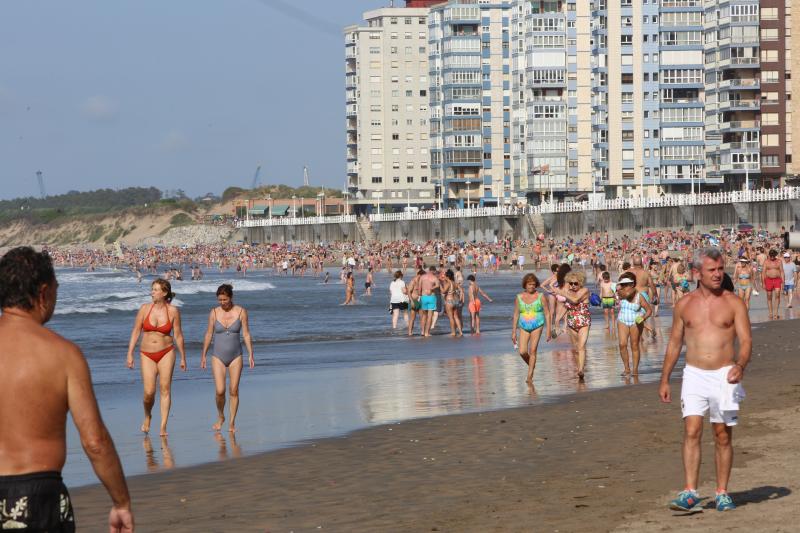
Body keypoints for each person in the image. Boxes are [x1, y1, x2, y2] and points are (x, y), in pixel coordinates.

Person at [0, 247, 133, 532]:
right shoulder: (62, 354)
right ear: (43, 292)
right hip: (38, 497)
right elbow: (95, 441)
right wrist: (121, 502)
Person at [659, 247, 751, 513]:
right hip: (694, 374)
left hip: (725, 374)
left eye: (721, 269)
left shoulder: (734, 302)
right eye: (712, 270)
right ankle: (690, 491)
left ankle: (722, 492)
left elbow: (746, 341)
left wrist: (741, 365)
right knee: (691, 431)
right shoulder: (684, 305)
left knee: (722, 435)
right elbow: (675, 344)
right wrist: (665, 379)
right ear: (697, 272)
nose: (718, 274)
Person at [126, 278, 187, 436]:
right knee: (149, 392)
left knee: (165, 389)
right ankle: (148, 416)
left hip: (167, 352)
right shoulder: (145, 309)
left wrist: (183, 357)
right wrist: (130, 353)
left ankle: (163, 426)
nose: (152, 292)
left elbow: (178, 335)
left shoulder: (173, 311)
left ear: (164, 293)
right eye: (152, 289)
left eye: (155, 289)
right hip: (146, 354)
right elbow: (135, 331)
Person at [200, 284, 255, 433]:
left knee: (234, 390)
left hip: (236, 356)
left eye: (224, 299)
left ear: (231, 297)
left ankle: (231, 422)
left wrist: (250, 354)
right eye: (219, 300)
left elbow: (247, 334)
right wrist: (203, 355)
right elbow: (208, 334)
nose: (222, 302)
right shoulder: (214, 312)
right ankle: (221, 416)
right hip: (218, 356)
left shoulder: (241, 312)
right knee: (220, 390)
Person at [511, 274, 551, 383]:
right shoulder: (519, 297)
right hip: (523, 325)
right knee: (522, 352)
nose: (532, 286)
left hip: (537, 324)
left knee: (532, 350)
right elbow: (515, 314)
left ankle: (529, 376)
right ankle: (532, 365)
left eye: (533, 284)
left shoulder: (541, 296)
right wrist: (513, 332)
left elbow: (547, 313)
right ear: (525, 285)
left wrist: (548, 330)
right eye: (529, 284)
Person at [615, 272, 652, 377]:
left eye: (626, 284)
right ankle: (626, 369)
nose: (623, 286)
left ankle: (635, 370)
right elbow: (624, 295)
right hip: (622, 320)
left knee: (634, 345)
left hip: (636, 321)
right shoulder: (620, 293)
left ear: (632, 284)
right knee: (622, 344)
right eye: (622, 284)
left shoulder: (639, 296)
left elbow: (649, 310)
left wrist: (643, 318)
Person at [556, 271, 591, 380]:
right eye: (570, 283)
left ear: (580, 282)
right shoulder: (568, 292)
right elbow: (566, 307)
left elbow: (575, 300)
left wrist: (562, 292)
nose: (573, 286)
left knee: (581, 346)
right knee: (576, 348)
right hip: (571, 322)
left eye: (575, 283)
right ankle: (579, 367)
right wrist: (557, 321)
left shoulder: (585, 290)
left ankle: (581, 370)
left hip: (583, 321)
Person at [419, 266, 440, 337]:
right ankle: (426, 333)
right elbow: (437, 285)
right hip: (431, 297)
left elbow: (419, 287)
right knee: (430, 316)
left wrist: (420, 295)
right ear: (433, 271)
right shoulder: (434, 278)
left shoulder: (422, 277)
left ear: (429, 270)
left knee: (424, 315)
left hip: (423, 296)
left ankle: (422, 331)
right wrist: (431, 288)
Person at [761, 249, 783, 319]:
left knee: (777, 294)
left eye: (773, 255)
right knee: (769, 296)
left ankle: (776, 313)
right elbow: (763, 272)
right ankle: (770, 313)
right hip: (768, 279)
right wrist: (763, 283)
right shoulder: (766, 262)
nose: (772, 257)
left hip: (777, 279)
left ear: (775, 255)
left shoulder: (779, 261)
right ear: (769, 255)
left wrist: (783, 282)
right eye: (771, 255)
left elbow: (782, 271)